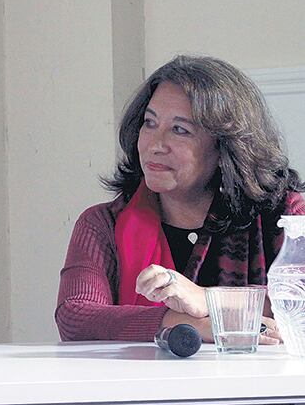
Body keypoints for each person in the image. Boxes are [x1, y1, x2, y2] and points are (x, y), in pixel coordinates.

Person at [56, 55, 305, 343]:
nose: (155, 144)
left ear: (226, 147)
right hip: (142, 388)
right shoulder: (103, 223)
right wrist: (190, 325)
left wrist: (208, 300)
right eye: (149, 123)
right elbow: (76, 318)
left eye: (180, 130)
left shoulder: (287, 215)